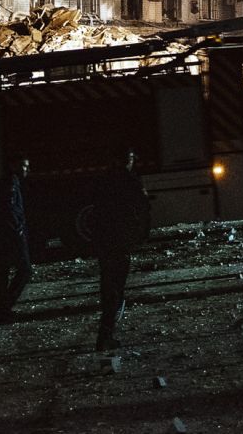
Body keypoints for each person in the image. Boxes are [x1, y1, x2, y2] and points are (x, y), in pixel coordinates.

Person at [87, 148, 151, 351]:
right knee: (116, 290)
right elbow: (142, 207)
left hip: (105, 242)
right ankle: (106, 337)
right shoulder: (130, 181)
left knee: (108, 288)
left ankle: (105, 336)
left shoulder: (104, 180)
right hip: (120, 241)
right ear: (129, 161)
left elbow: (95, 211)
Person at [0, 154, 31, 324]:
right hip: (11, 234)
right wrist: (18, 230)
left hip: (2, 234)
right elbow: (10, 210)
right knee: (24, 270)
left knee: (2, 273)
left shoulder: (7, 182)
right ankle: (3, 309)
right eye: (24, 166)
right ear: (14, 166)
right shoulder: (11, 184)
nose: (26, 170)